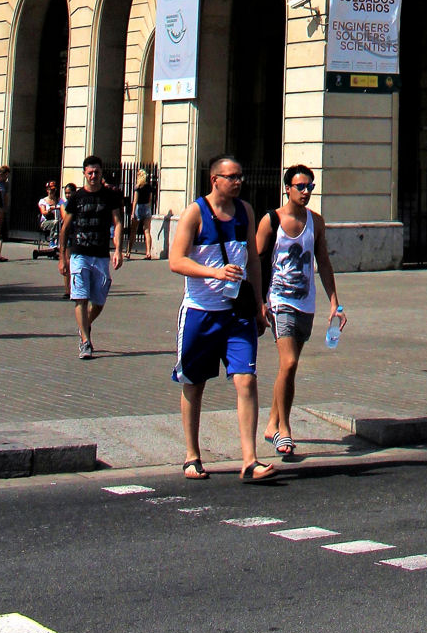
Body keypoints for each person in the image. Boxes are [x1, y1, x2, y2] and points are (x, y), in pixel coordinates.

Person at [169, 155, 277, 484]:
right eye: (231, 177)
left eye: (240, 176)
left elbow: (253, 259)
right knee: (194, 383)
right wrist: (214, 272)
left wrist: (259, 303)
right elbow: (176, 260)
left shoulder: (245, 211)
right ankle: (192, 455)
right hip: (201, 312)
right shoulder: (194, 213)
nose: (237, 181)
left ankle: (250, 460)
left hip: (238, 313)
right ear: (214, 179)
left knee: (246, 380)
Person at [256, 165, 346, 458]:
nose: (306, 191)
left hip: (306, 304)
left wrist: (335, 303)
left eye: (310, 186)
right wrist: (258, 301)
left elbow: (324, 263)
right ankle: (284, 430)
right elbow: (255, 262)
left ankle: (271, 423)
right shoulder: (271, 221)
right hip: (279, 302)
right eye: (300, 186)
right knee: (290, 362)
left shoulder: (316, 222)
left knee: (288, 369)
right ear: (288, 189)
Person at [59, 155, 125, 359]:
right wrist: (62, 258)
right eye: (90, 172)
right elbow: (65, 229)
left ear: (101, 173)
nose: (93, 176)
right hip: (79, 254)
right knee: (81, 298)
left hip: (101, 255)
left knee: (99, 300)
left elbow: (118, 222)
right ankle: (85, 342)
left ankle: (83, 326)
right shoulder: (77, 198)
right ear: (84, 174)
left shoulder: (109, 196)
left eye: (97, 172)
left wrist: (118, 250)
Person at [130, 168, 155, 258]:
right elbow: (150, 199)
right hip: (147, 207)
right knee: (147, 231)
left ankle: (128, 251)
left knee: (133, 230)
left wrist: (133, 212)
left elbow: (135, 201)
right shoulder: (149, 187)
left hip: (139, 207)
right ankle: (148, 252)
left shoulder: (138, 187)